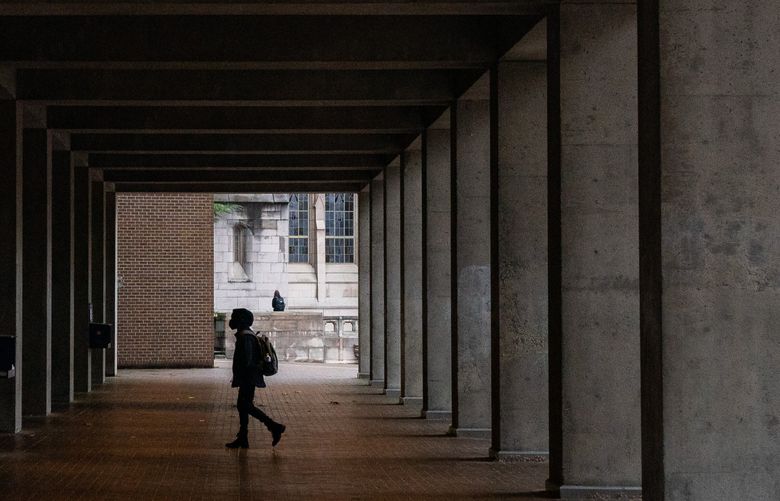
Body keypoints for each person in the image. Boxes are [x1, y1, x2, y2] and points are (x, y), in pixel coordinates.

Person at [225, 308, 285, 449]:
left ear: (241, 320)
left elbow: (247, 360)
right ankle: (243, 438)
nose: (231, 321)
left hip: (248, 378)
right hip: (248, 377)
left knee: (246, 406)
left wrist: (241, 375)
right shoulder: (246, 334)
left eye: (234, 318)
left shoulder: (246, 337)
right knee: (242, 406)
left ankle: (274, 426)